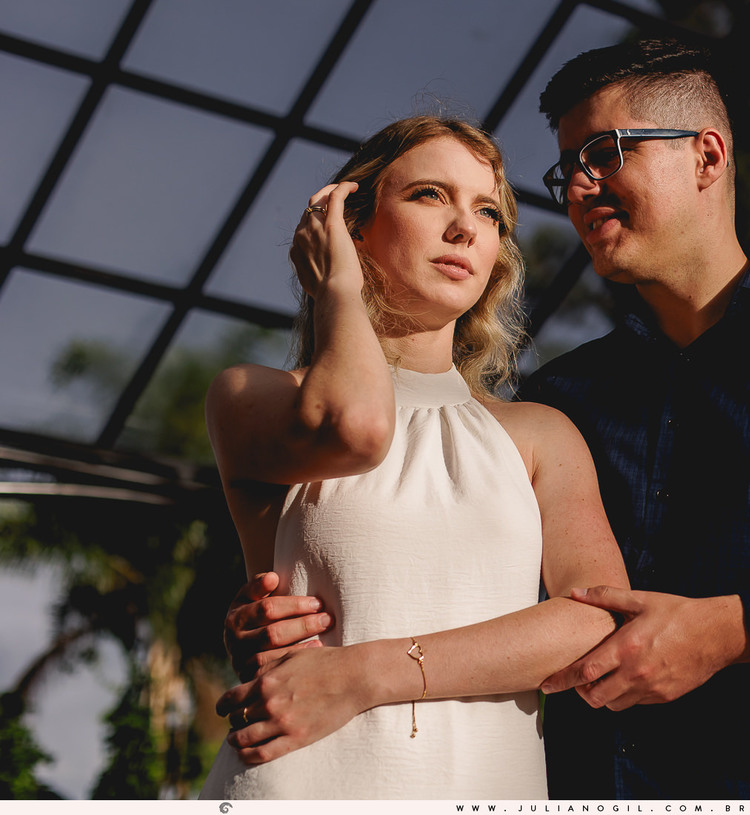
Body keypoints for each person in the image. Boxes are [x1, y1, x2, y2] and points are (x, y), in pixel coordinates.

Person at [223, 39, 750, 799]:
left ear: (707, 155)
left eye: (606, 154)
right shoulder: (566, 398)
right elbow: (456, 586)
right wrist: (285, 621)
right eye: (567, 168)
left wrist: (733, 629)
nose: (574, 189)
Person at [198, 115, 628, 800]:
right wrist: (337, 288)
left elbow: (593, 620)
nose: (464, 227)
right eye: (431, 194)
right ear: (351, 223)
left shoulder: (540, 433)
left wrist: (366, 674)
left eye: (487, 211)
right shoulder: (254, 397)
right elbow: (362, 429)